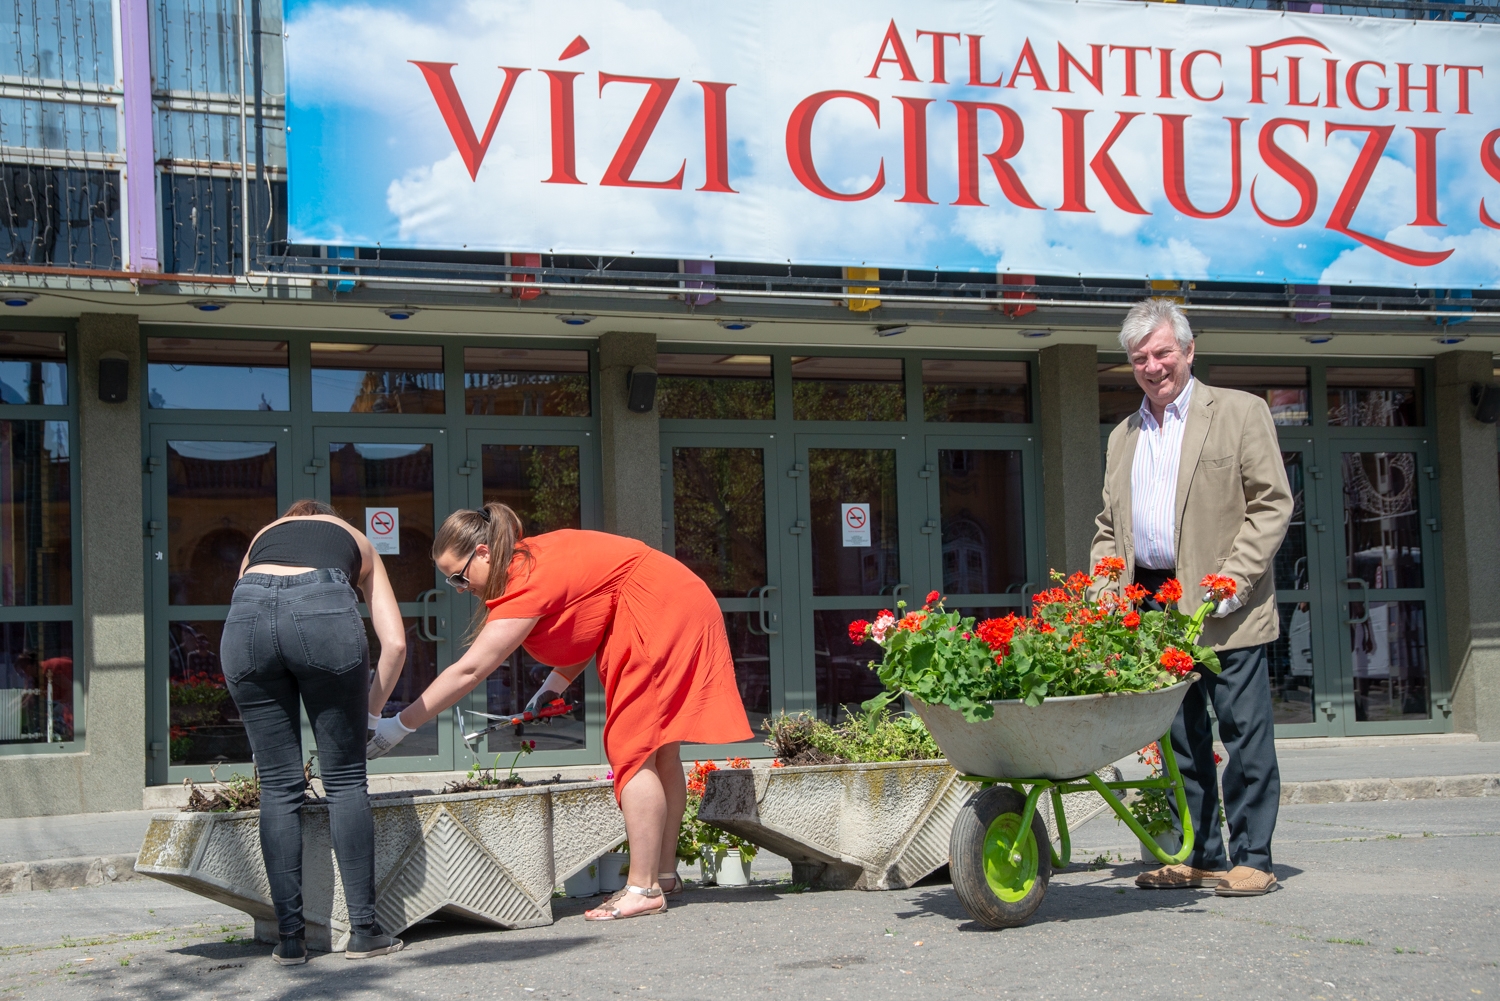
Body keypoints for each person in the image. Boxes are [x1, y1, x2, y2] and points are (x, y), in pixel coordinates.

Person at [366, 504, 752, 920]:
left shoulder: (526, 578)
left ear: (482, 553)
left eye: (458, 577)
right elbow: (592, 615)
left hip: (659, 613)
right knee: (660, 749)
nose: (459, 588)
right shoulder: (533, 557)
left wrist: (398, 727)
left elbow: (471, 669)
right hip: (672, 599)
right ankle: (662, 874)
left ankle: (643, 888)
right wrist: (554, 686)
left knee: (631, 747)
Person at [1091, 298, 1293, 897]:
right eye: (1139, 359)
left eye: (1162, 353)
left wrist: (1231, 583)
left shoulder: (1239, 412)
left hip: (1224, 599)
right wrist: (1107, 591)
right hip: (1153, 603)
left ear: (1188, 350)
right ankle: (1200, 854)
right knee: (1179, 739)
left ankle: (1253, 856)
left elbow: (1271, 504)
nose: (1153, 367)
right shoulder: (1122, 436)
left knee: (1243, 732)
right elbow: (1109, 527)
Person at [223, 499, 408, 964]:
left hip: (245, 623)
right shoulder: (358, 541)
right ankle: (363, 931)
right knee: (345, 781)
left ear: (289, 517)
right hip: (323, 612)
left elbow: (248, 601)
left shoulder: (264, 534)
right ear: (330, 519)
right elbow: (397, 643)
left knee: (278, 787)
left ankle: (289, 940)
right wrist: (370, 713)